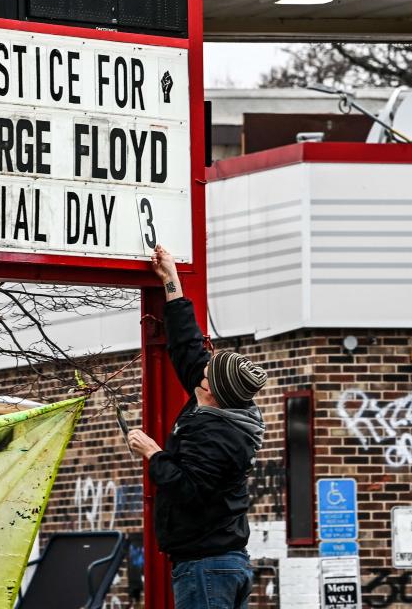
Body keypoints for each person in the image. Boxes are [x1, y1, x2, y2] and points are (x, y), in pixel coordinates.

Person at [128, 245, 266, 609]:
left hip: (208, 567)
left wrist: (152, 452)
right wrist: (171, 281)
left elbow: (187, 487)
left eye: (206, 373)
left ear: (213, 391)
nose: (201, 369)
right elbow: (187, 346)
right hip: (215, 565)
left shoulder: (221, 437)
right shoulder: (214, 400)